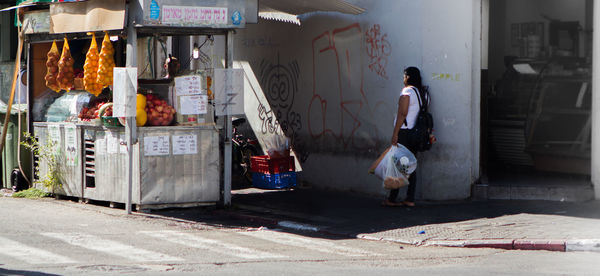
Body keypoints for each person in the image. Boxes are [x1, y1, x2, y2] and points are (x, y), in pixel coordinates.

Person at [383, 66, 428, 207]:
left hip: (404, 133)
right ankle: (410, 198)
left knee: (397, 165)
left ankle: (392, 199)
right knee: (410, 165)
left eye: (404, 76)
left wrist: (395, 133)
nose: (403, 79)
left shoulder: (407, 91)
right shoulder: (423, 93)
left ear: (408, 77)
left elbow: (402, 113)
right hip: (416, 134)